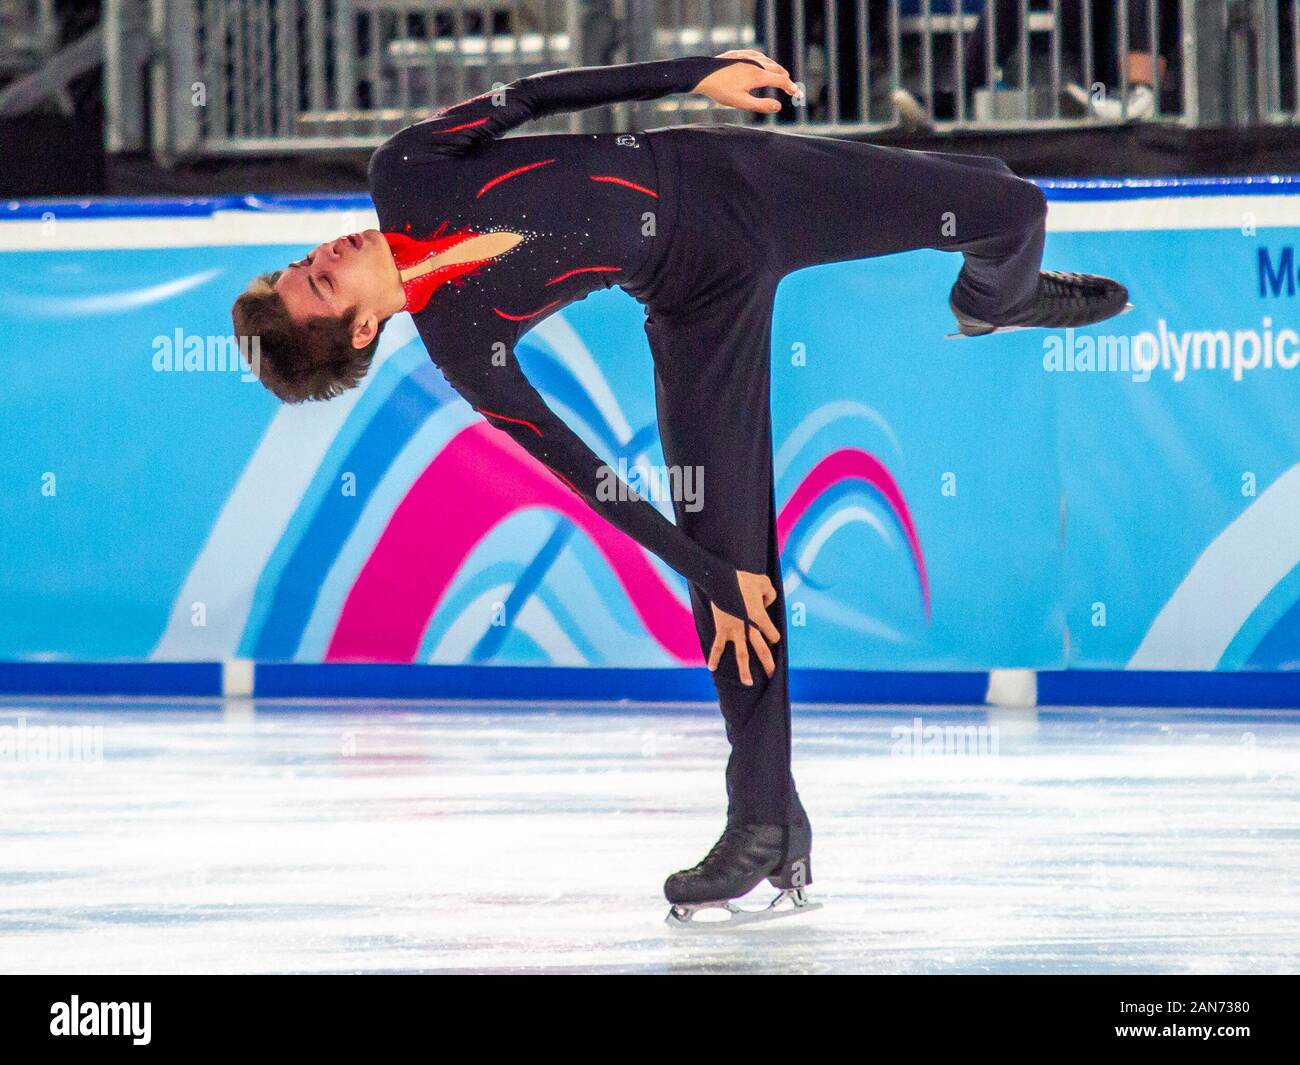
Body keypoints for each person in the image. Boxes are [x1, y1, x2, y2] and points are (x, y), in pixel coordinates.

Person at [231, 50, 1127, 924]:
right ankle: (765, 816)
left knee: (1010, 205)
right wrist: (709, 571)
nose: (327, 249)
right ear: (354, 332)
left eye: (306, 258)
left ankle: (996, 301)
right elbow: (583, 473)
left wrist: (691, 72)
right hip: (695, 300)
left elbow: (537, 95)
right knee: (734, 570)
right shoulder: (463, 344)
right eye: (319, 279)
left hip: (732, 180)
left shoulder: (406, 170)